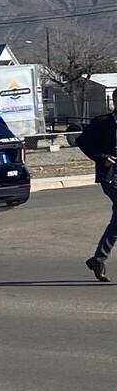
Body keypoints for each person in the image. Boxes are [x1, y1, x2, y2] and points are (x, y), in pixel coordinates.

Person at [76, 88, 117, 282]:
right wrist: (101, 158)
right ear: (115, 101)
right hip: (111, 176)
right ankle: (98, 259)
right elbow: (82, 141)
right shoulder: (102, 123)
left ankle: (98, 260)